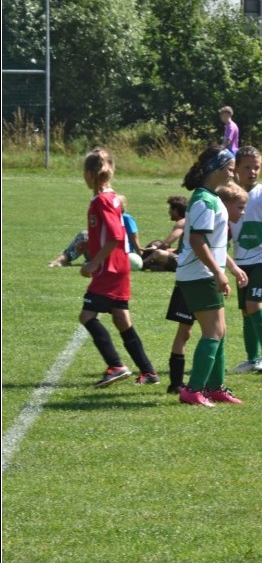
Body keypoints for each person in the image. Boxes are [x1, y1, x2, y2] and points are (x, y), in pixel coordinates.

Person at [76, 148, 159, 387]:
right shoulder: (112, 197)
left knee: (87, 315)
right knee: (122, 319)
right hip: (119, 265)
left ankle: (116, 366)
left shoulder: (102, 200)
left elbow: (113, 236)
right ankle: (148, 371)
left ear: (91, 173)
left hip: (109, 268)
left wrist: (93, 262)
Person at [174, 145, 245, 407]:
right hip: (199, 274)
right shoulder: (203, 200)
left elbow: (213, 243)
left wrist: (231, 267)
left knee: (220, 331)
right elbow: (196, 240)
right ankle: (193, 391)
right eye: (229, 168)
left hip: (204, 273)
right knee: (212, 332)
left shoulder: (211, 197)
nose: (232, 173)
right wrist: (218, 273)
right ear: (215, 169)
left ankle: (215, 388)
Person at [230, 146, 262, 374]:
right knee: (245, 310)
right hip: (241, 261)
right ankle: (251, 358)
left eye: (257, 167)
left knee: (253, 305)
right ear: (236, 168)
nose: (252, 171)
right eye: (247, 167)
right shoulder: (229, 195)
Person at [141, 195, 189, 272]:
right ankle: (160, 267)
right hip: (186, 259)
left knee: (158, 253)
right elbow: (178, 250)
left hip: (187, 263)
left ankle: (150, 264)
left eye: (170, 209)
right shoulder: (187, 221)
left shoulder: (182, 223)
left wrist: (145, 261)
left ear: (175, 210)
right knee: (156, 246)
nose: (169, 211)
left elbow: (165, 245)